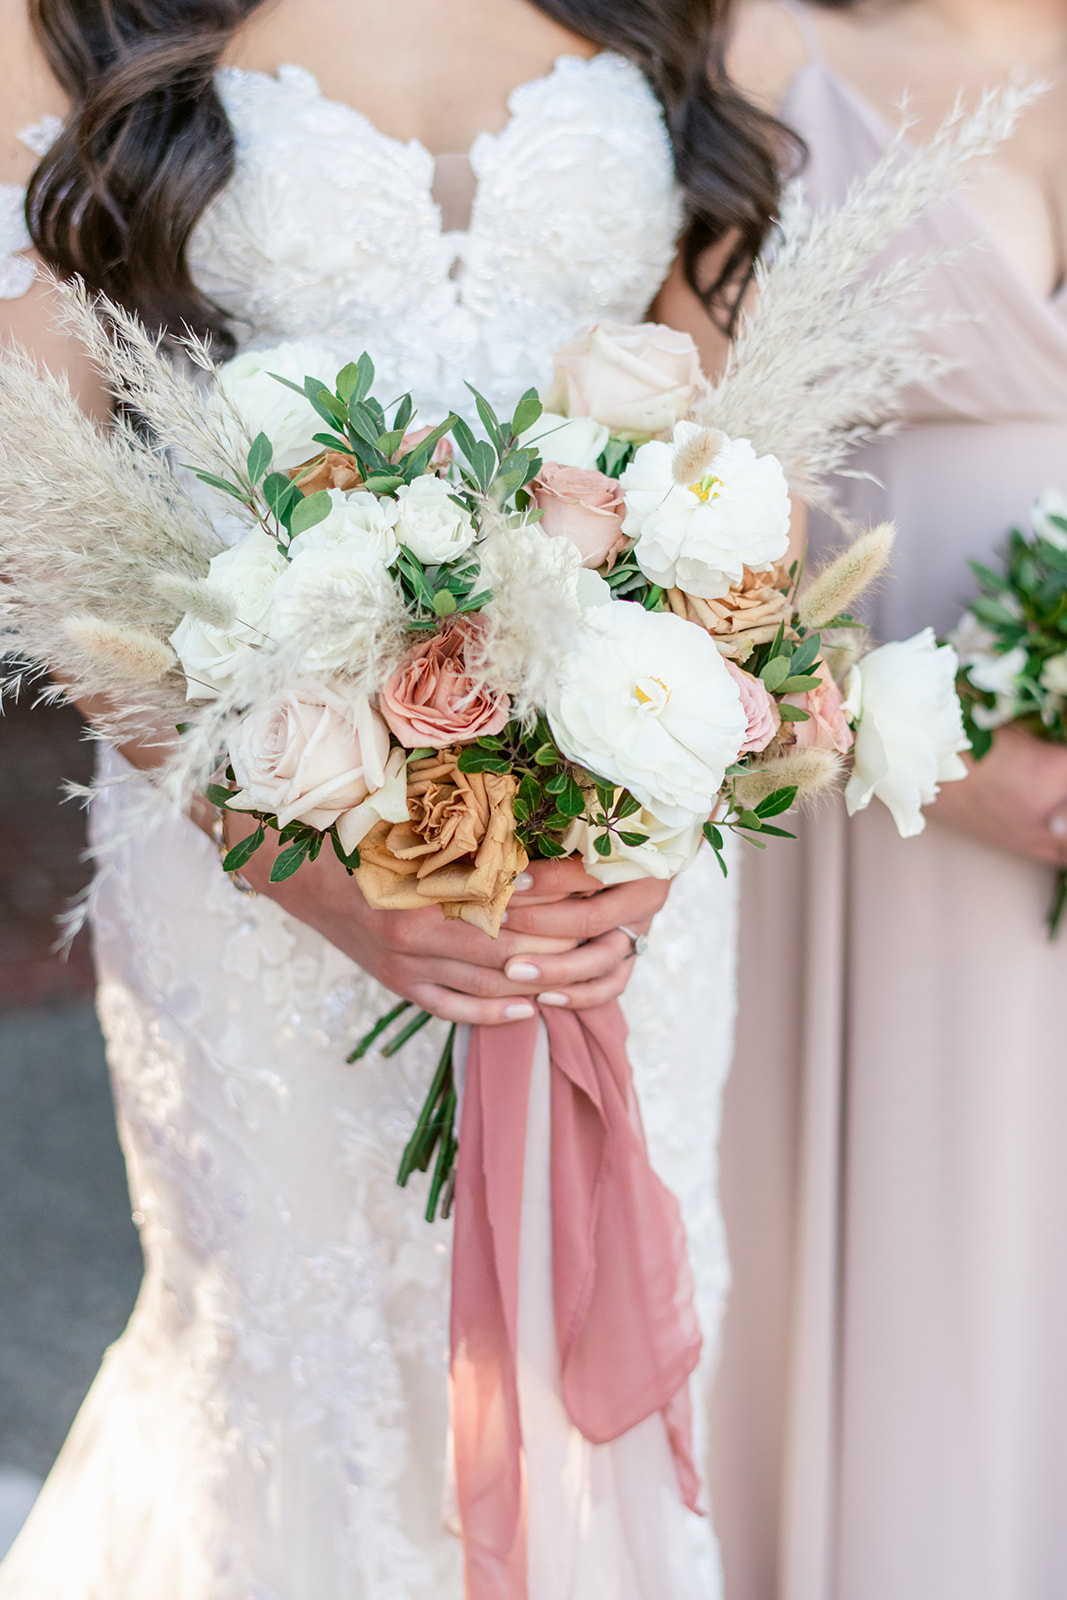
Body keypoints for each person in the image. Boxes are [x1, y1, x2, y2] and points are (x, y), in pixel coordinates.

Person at [0, 0, 790, 1592]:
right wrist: (298, 862)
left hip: (615, 824)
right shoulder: (69, 18)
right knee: (303, 1345)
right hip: (251, 809)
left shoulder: (690, 9)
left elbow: (729, 452)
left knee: (593, 1332)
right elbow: (39, 490)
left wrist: (667, 808)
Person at [710, 4, 1067, 1598]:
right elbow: (686, 464)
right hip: (853, 794)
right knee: (904, 1274)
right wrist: (916, 740)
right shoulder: (765, 49)